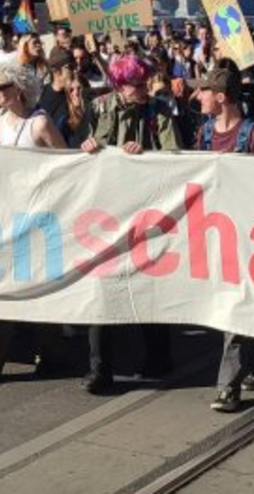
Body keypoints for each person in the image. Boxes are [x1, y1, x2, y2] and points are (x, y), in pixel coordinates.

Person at [78, 55, 182, 394]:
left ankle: (159, 356)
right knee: (101, 288)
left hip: (145, 211)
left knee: (149, 283)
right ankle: (99, 369)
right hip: (105, 212)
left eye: (146, 83)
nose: (145, 89)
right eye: (138, 85)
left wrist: (147, 157)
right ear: (119, 86)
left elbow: (175, 156)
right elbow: (77, 149)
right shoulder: (98, 108)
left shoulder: (159, 112)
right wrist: (87, 145)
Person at [0, 62, 70, 386]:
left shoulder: (39, 124)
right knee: (4, 286)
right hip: (7, 216)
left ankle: (49, 353)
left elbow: (67, 163)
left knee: (37, 288)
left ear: (18, 90)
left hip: (38, 217)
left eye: (0, 88)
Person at [192, 65, 254, 414]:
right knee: (236, 302)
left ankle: (227, 386)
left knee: (232, 306)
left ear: (221, 97)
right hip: (215, 231)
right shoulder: (203, 134)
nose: (197, 96)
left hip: (249, 234)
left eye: (204, 91)